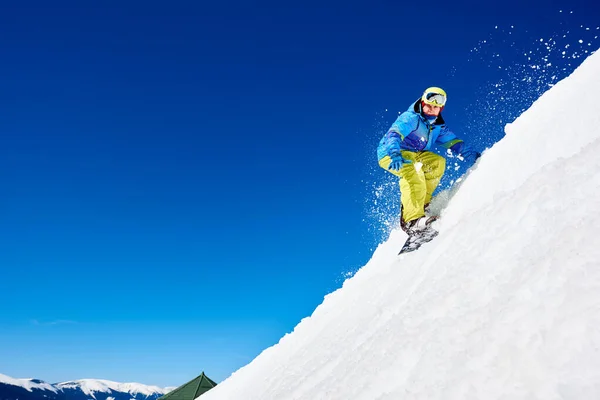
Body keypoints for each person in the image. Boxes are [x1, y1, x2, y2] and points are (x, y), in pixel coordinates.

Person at [377, 87, 480, 233]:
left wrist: (474, 156)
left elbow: (453, 143)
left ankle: (422, 205)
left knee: (437, 163)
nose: (431, 109)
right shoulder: (411, 118)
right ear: (422, 103)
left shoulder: (437, 126)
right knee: (413, 171)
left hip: (416, 154)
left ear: (441, 109)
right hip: (392, 152)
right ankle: (411, 221)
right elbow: (394, 133)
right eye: (429, 105)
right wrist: (394, 152)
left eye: (436, 107)